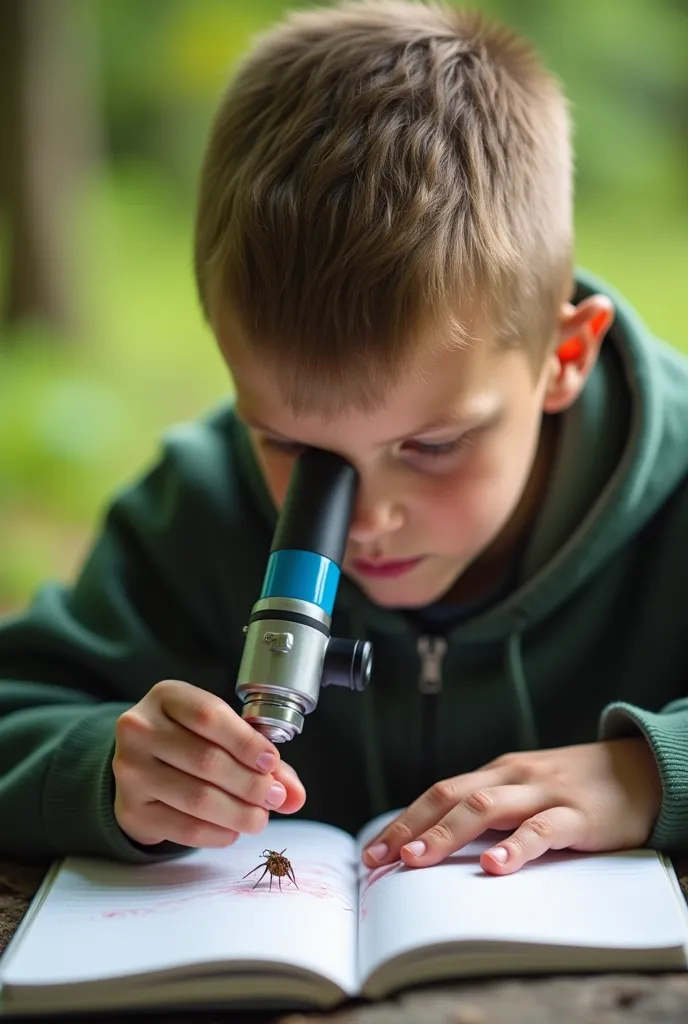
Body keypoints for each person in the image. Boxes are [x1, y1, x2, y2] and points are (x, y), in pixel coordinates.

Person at [1, 0, 686, 878]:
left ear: (564, 357)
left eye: (432, 446)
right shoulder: (197, 507)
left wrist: (653, 772)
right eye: (298, 452)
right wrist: (102, 765)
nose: (364, 523)